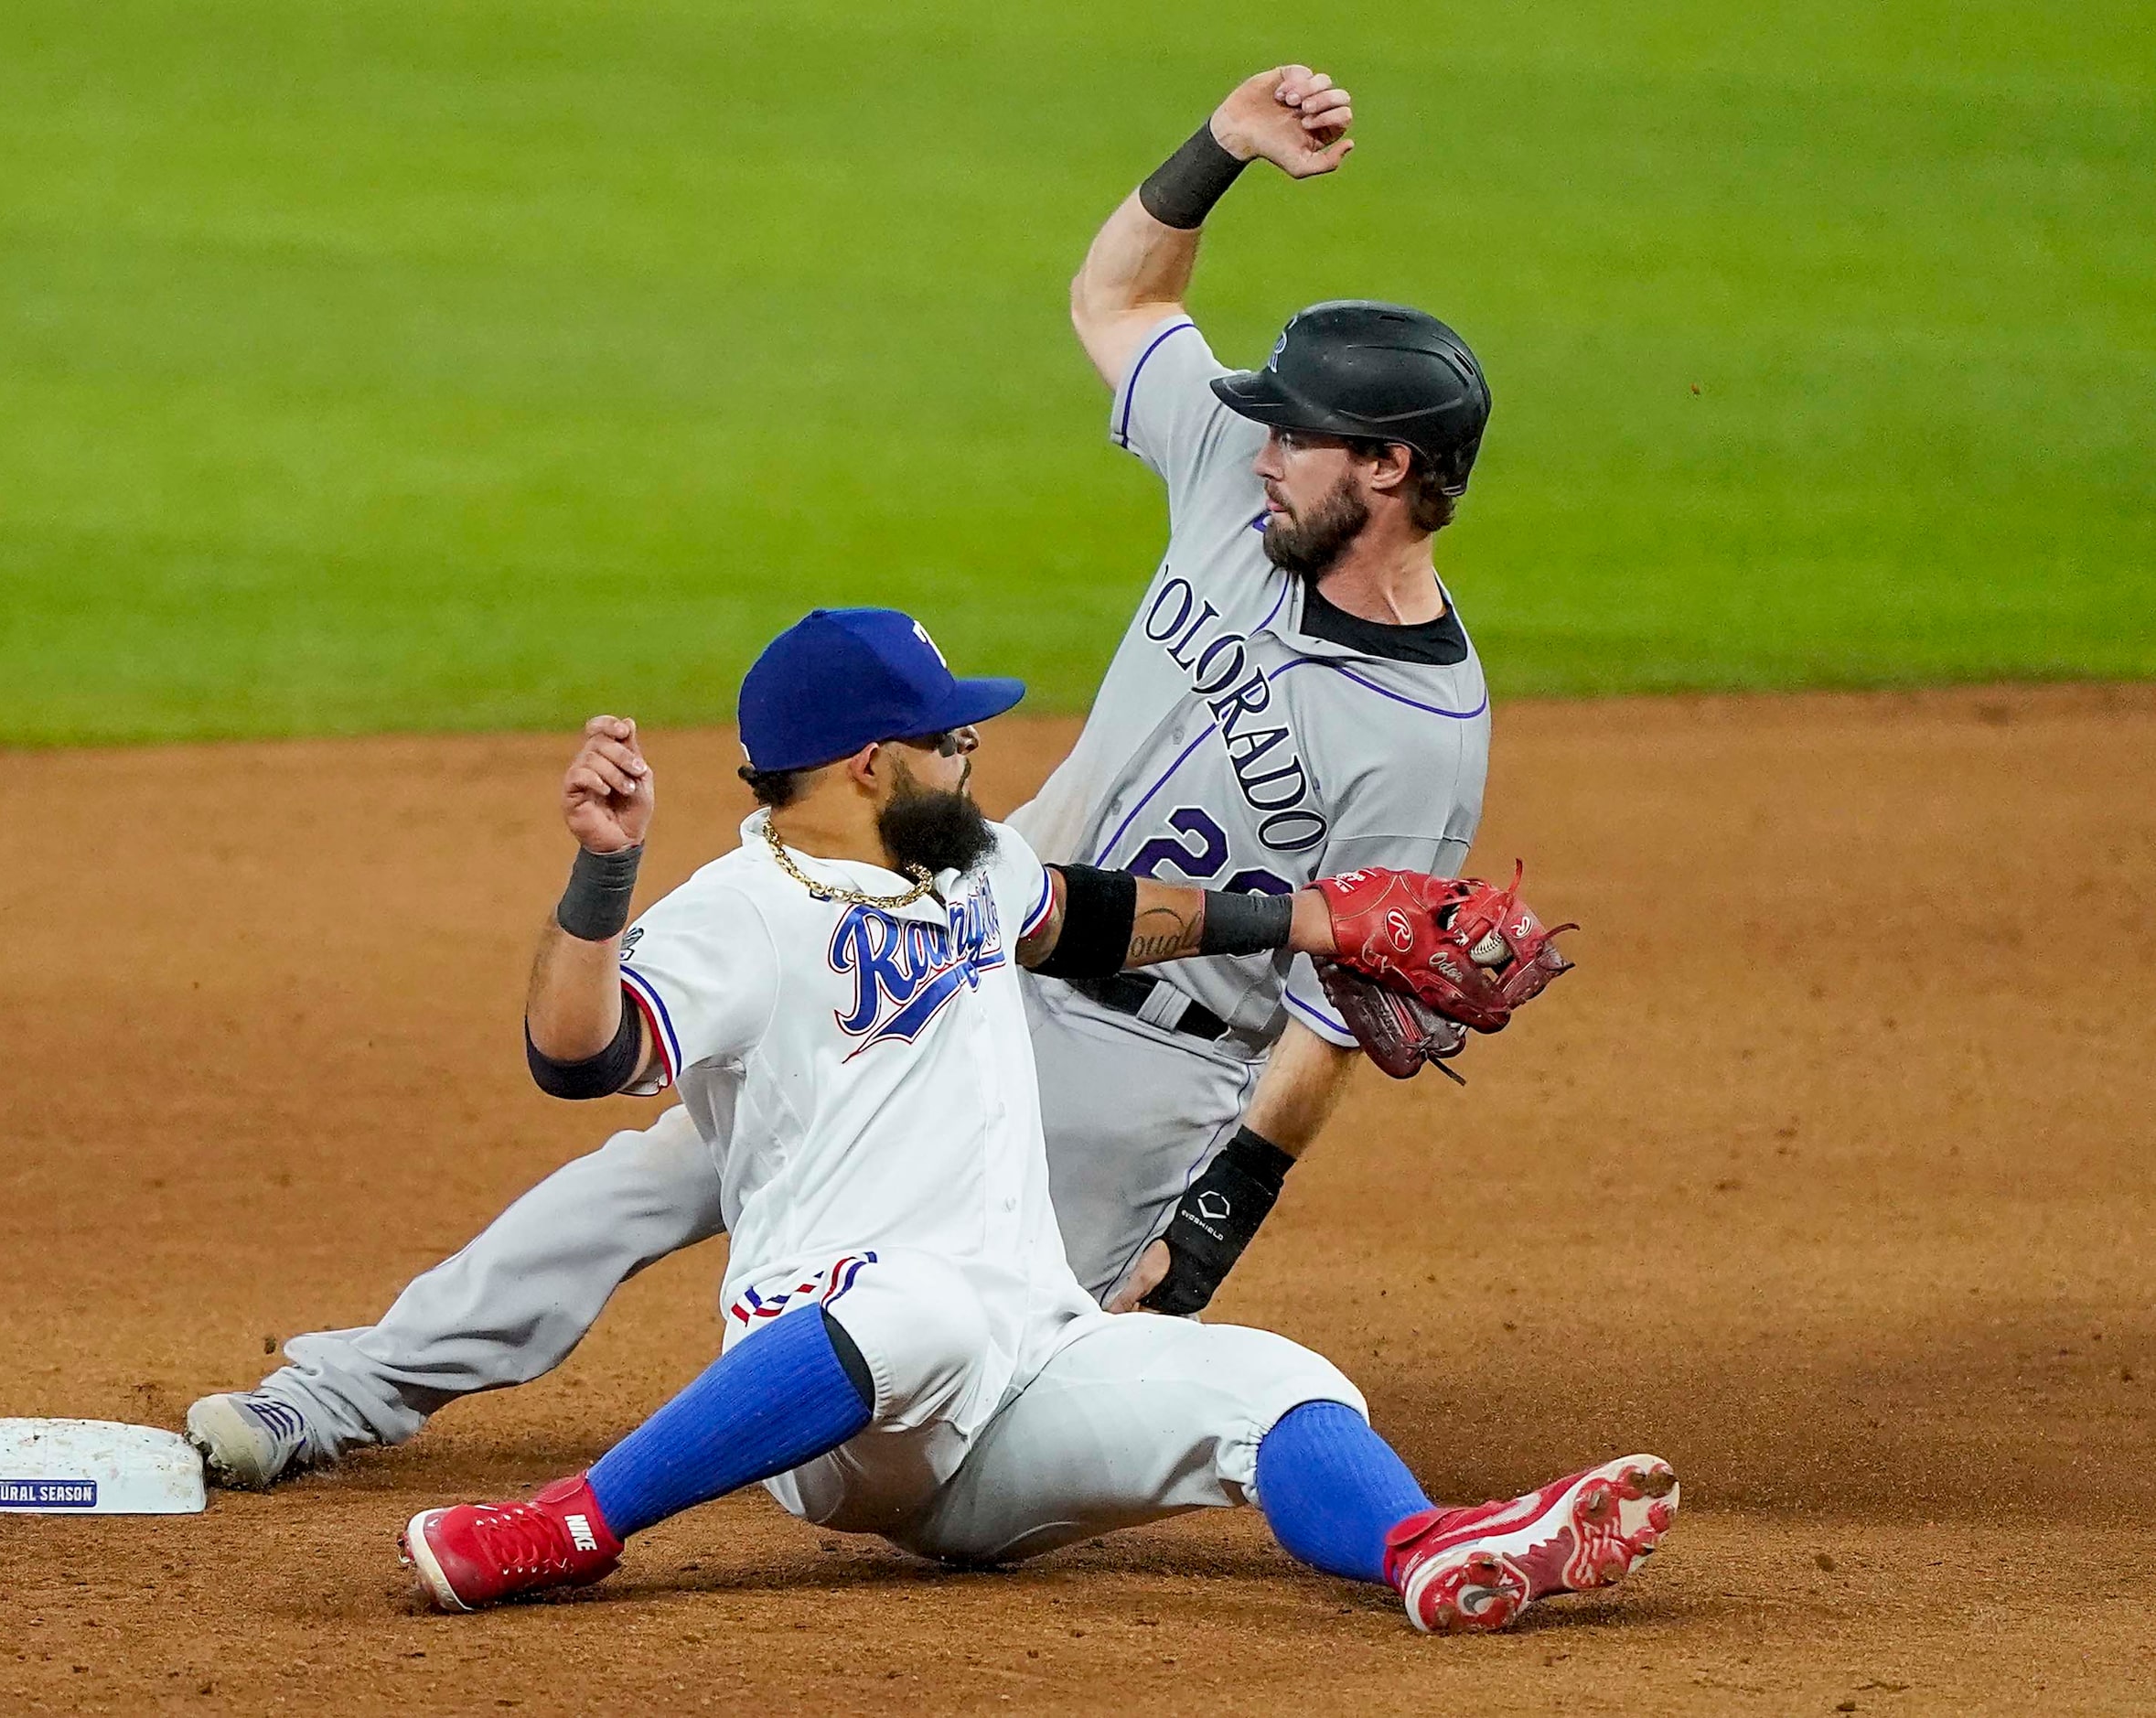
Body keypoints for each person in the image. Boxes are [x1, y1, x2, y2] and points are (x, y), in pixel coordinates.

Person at [192, 59, 1498, 1493]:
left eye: (1298, 430)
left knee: (960, 1405)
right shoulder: (1237, 486)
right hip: (968, 918)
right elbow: (1121, 303)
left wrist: (1219, 1209)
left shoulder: (1426, 730)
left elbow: (1335, 998)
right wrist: (1218, 151)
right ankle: (339, 1388)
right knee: (655, 1170)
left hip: (1146, 1066)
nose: (1262, 441)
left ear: (1381, 469)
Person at [393, 608, 1674, 1635]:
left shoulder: (970, 865)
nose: (973, 753)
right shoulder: (738, 912)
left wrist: (1319, 918)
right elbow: (578, 1054)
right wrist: (605, 874)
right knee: (925, 1307)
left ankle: (1429, 1548)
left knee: (1276, 1380)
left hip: (1017, 1377)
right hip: (839, 1385)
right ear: (868, 762)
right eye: (949, 737)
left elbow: (1091, 916)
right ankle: (567, 1525)